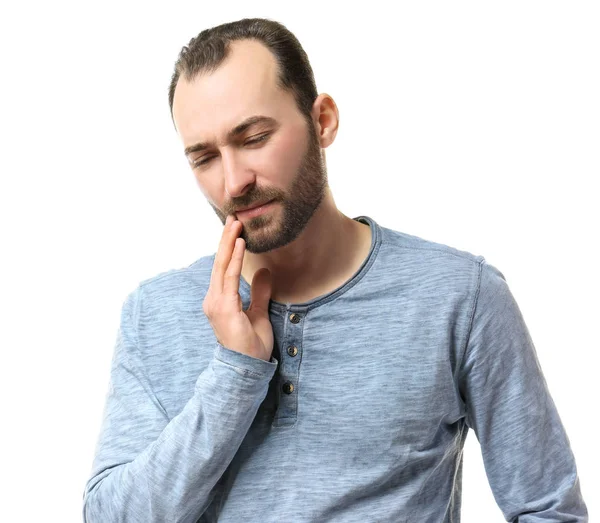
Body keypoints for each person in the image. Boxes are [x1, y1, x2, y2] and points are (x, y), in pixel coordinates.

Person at [82, 17, 588, 522]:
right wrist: (234, 375)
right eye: (205, 157)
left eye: (254, 137)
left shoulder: (461, 297)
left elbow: (548, 509)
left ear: (322, 120)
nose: (233, 182)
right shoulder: (155, 313)